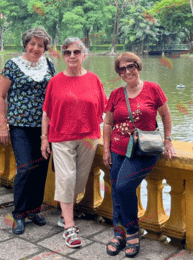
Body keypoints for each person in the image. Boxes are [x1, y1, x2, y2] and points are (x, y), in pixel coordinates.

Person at [103, 52, 176, 258]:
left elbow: (166, 115)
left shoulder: (153, 89)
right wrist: (106, 149)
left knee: (123, 187)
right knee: (117, 191)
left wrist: (168, 140)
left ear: (138, 66)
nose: (127, 71)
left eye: (131, 66)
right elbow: (108, 123)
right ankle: (119, 233)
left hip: (144, 150)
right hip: (118, 149)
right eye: (122, 69)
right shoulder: (116, 94)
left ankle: (133, 231)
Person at [41, 37, 107, 248]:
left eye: (76, 52)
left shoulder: (94, 79)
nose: (71, 56)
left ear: (83, 55)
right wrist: (44, 138)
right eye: (67, 52)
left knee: (79, 180)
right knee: (67, 178)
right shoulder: (55, 81)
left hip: (88, 137)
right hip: (61, 137)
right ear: (62, 55)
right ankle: (69, 226)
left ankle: (64, 215)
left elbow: (105, 110)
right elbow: (46, 112)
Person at [0, 27, 55, 235]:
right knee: (25, 168)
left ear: (45, 48)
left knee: (40, 169)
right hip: (19, 126)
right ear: (26, 44)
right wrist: (3, 124)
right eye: (33, 44)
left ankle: (33, 210)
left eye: (41, 45)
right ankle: (18, 214)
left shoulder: (49, 65)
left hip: (44, 128)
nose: (36, 48)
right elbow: (0, 96)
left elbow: (55, 94)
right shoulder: (13, 65)